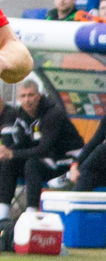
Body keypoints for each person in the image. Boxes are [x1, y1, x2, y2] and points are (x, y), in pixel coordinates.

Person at [0, 78, 82, 218]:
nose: (27, 100)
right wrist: (6, 153)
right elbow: (23, 144)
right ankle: (2, 216)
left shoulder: (53, 113)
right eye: (23, 96)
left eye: (31, 95)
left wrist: (13, 153)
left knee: (32, 164)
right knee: (9, 163)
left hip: (67, 159)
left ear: (39, 95)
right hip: (47, 160)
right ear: (19, 98)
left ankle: (31, 215)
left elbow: (44, 148)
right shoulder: (22, 114)